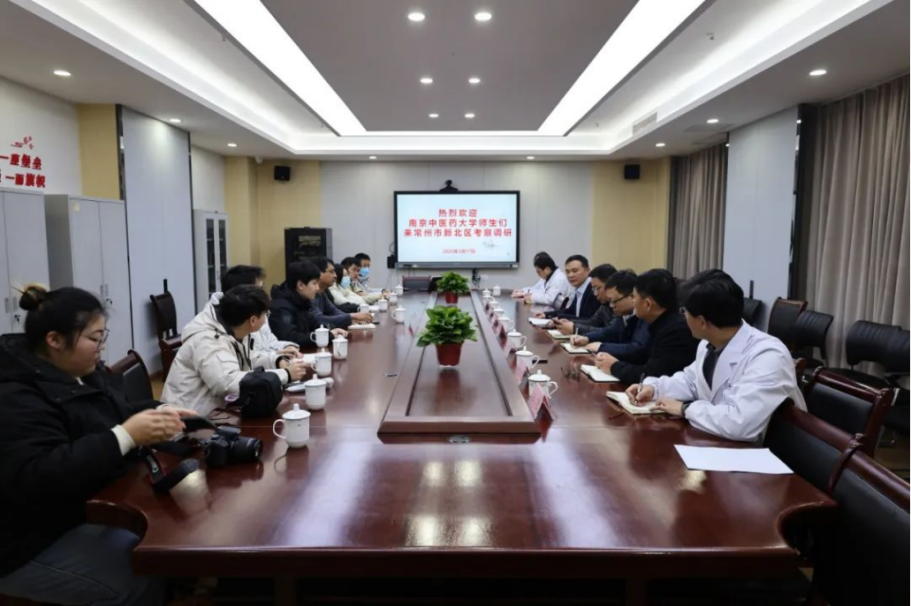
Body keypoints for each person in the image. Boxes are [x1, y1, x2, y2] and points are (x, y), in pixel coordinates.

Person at [0, 285, 198, 605]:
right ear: (54, 340)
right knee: (137, 576)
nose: (102, 347)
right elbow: (39, 475)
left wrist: (158, 411)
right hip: (26, 544)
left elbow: (111, 412)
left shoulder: (78, 372)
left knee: (169, 541)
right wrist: (125, 436)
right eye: (95, 338)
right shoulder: (15, 396)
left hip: (74, 515)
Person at [626, 270, 807, 442]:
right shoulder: (709, 343)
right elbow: (692, 381)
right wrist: (655, 388)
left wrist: (685, 409)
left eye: (684, 312)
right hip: (718, 441)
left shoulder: (768, 356)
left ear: (702, 322)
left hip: (761, 453)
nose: (683, 317)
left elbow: (739, 422)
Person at [162, 285, 306, 415]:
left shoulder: (233, 327)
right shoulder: (208, 341)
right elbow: (228, 383)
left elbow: (247, 358)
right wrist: (285, 374)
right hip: (186, 421)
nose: (266, 318)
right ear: (253, 320)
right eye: (265, 314)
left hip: (216, 413)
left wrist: (276, 361)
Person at [595, 269, 697, 384]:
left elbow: (650, 375)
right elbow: (641, 357)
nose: (632, 301)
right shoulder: (656, 321)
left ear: (648, 304)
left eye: (633, 296)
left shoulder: (676, 332)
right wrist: (609, 359)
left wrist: (614, 366)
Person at [214, 265, 299, 354]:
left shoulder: (257, 311)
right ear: (242, 293)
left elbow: (270, 342)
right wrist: (276, 355)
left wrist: (286, 347)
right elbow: (249, 357)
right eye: (260, 289)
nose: (264, 293)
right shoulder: (224, 324)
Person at [570, 270, 650, 360]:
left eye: (614, 301)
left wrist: (601, 347)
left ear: (631, 296)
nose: (612, 306)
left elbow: (636, 349)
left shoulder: (645, 315)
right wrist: (586, 338)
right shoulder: (624, 314)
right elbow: (608, 332)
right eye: (610, 301)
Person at [270, 260, 349, 347]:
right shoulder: (282, 308)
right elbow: (290, 337)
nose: (317, 288)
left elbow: (315, 323)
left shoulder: (303, 302)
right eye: (314, 283)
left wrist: (331, 329)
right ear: (300, 285)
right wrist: (328, 336)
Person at [309, 257, 373, 329]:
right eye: (331, 272)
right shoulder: (310, 294)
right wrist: (351, 316)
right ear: (319, 273)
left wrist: (352, 319)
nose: (335, 276)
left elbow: (334, 311)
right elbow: (319, 319)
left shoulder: (322, 292)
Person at [553, 263, 616, 335]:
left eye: (598, 288)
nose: (595, 294)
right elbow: (593, 322)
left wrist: (575, 328)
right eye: (594, 289)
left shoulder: (618, 306)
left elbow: (610, 332)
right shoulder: (604, 305)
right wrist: (570, 323)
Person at [535, 255, 599, 320]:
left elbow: (588, 319)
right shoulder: (580, 288)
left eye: (575, 271)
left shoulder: (593, 290)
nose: (570, 275)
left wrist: (560, 320)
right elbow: (570, 311)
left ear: (587, 270)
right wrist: (546, 314)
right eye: (567, 272)